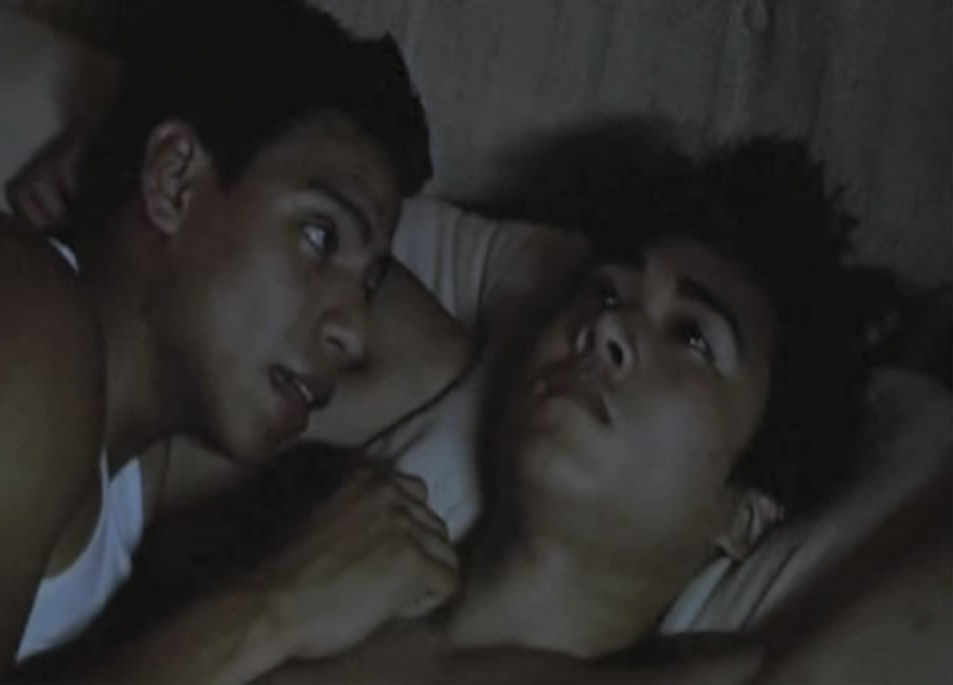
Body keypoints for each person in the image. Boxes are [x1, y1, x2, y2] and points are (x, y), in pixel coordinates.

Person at [0, 2, 475, 682]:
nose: (352, 331)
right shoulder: (14, 321)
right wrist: (274, 609)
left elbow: (429, 362)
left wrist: (123, 144)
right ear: (173, 181)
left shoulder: (133, 471)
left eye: (370, 284)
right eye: (319, 235)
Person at [164, 132, 870, 684]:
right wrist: (275, 605)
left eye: (690, 336)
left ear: (748, 516)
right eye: (605, 292)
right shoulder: (310, 532)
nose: (607, 327)